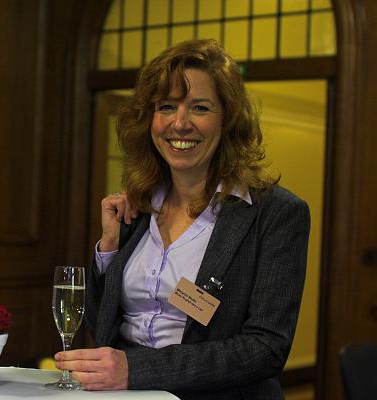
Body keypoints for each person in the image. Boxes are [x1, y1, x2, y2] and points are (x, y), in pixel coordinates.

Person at [54, 39, 310, 399]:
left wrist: (137, 370)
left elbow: (266, 348)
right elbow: (104, 327)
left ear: (229, 118)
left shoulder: (276, 213)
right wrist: (109, 247)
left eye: (200, 108)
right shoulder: (137, 207)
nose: (179, 123)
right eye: (166, 107)